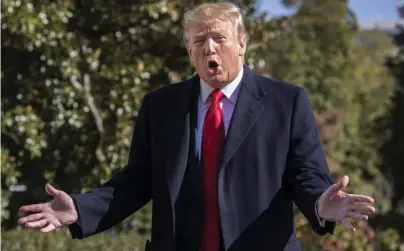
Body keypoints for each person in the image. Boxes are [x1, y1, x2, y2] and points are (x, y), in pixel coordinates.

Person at [18, 2, 376, 251]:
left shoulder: (286, 102)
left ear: (242, 43)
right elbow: (136, 181)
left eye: (218, 38)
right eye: (198, 41)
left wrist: (320, 204)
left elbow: (305, 175)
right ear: (189, 53)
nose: (209, 49)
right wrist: (80, 209)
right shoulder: (160, 106)